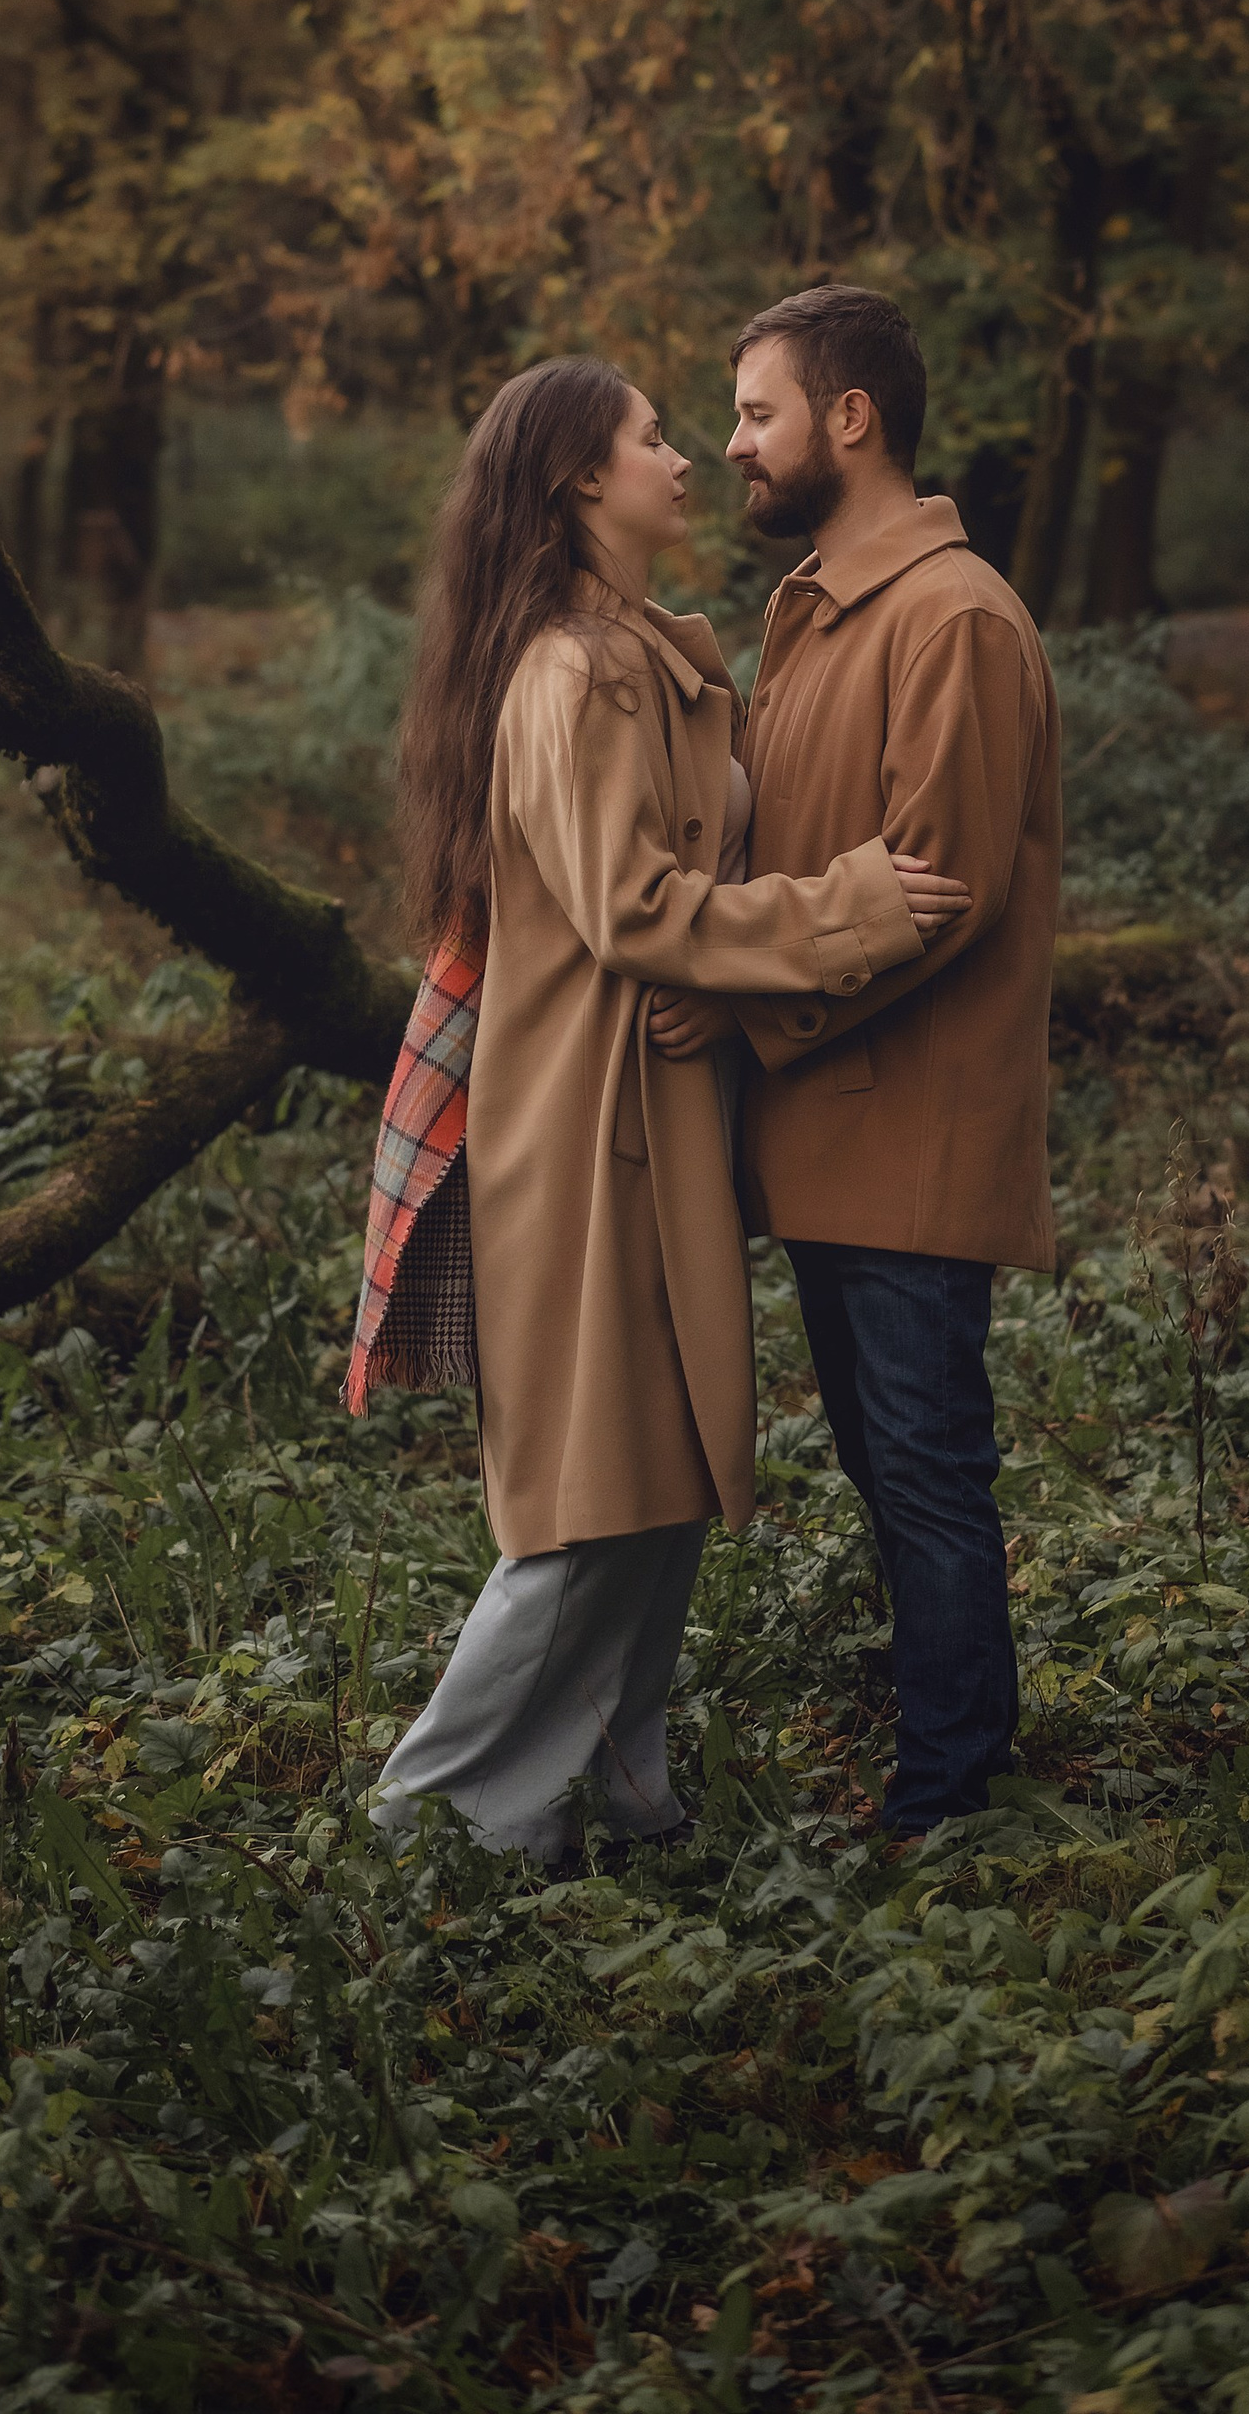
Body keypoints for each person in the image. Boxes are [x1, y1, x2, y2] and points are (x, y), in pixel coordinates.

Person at [348, 354, 968, 1865]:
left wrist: (729, 972)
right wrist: (852, 912)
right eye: (651, 439)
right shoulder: (573, 669)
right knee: (590, 1496)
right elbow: (631, 908)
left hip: (662, 1104)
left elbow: (673, 893)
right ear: (577, 478)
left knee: (665, 1476)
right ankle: (424, 1826)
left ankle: (618, 1804)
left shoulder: (638, 649)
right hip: (587, 1130)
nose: (687, 459)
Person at [649, 285, 1062, 1844]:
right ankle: (948, 1750)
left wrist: (746, 1010)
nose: (731, 445)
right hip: (829, 1130)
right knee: (896, 1485)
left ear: (850, 418)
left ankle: (950, 1801)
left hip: (913, 1134)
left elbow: (937, 893)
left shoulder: (950, 617)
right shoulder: (817, 606)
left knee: (932, 1480)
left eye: (755, 412)